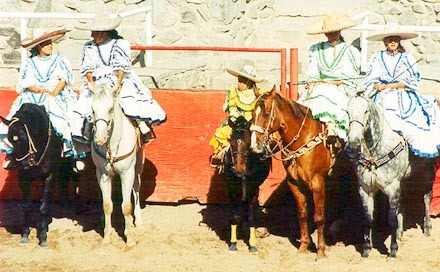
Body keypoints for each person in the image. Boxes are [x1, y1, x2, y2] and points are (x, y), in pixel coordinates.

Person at [72, 13, 166, 147]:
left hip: (117, 78)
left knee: (128, 98)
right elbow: (88, 67)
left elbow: (121, 65)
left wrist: (118, 83)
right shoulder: (89, 46)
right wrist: (91, 82)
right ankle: (86, 131)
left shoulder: (120, 44)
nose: (92, 35)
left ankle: (142, 126)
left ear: (102, 32)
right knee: (85, 103)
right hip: (97, 81)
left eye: (94, 32)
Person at [0, 28, 78, 169]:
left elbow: (63, 79)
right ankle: (12, 154)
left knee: (66, 121)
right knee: (13, 121)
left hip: (55, 95)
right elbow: (27, 82)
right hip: (34, 95)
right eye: (46, 44)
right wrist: (39, 90)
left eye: (50, 43)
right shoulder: (30, 62)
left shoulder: (60, 60)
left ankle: (71, 154)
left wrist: (54, 92)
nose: (50, 46)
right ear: (39, 46)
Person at [364, 29, 440, 158]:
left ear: (399, 41)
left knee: (407, 115)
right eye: (390, 39)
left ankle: (406, 147)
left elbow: (410, 80)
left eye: (395, 39)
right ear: (385, 42)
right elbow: (371, 78)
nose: (393, 42)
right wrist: (378, 86)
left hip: (401, 93)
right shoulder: (377, 57)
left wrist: (390, 86)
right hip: (381, 93)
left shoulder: (407, 57)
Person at [297, 13, 361, 147]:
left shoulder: (349, 50)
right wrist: (313, 81)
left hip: (340, 87)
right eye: (329, 33)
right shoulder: (317, 49)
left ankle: (334, 129)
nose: (333, 35)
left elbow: (350, 78)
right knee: (304, 104)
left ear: (340, 31)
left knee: (330, 95)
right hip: (320, 85)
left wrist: (329, 83)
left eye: (335, 32)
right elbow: (313, 71)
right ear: (325, 34)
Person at [209, 64, 265, 167]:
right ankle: (221, 156)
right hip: (237, 123)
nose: (238, 83)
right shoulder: (234, 92)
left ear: (247, 82)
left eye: (240, 80)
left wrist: (253, 123)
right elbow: (233, 110)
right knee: (226, 133)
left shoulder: (259, 94)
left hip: (254, 123)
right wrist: (242, 122)